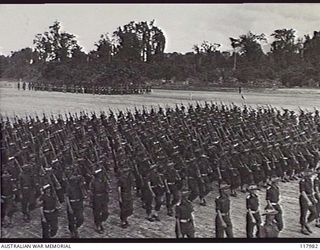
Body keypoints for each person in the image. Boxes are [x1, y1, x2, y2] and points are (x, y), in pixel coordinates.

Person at [65, 170, 86, 238]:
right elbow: (67, 197)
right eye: (73, 180)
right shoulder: (69, 187)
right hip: (72, 203)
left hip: (78, 203)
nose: (75, 181)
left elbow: (82, 194)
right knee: (71, 220)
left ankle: (76, 228)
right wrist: (69, 207)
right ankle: (73, 231)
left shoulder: (79, 187)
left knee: (81, 218)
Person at [89, 168, 109, 234]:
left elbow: (107, 189)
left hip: (103, 197)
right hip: (96, 198)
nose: (101, 175)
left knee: (105, 212)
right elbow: (91, 192)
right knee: (97, 213)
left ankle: (100, 221)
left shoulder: (104, 180)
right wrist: (91, 201)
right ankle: (98, 225)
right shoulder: (93, 182)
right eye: (99, 174)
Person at [299, 169, 318, 235]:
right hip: (304, 198)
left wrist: (313, 198)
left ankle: (306, 223)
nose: (311, 174)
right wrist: (308, 200)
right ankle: (303, 227)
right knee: (304, 213)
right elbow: (302, 192)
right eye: (309, 173)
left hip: (310, 196)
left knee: (315, 213)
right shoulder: (302, 181)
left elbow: (311, 189)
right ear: (306, 173)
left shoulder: (309, 180)